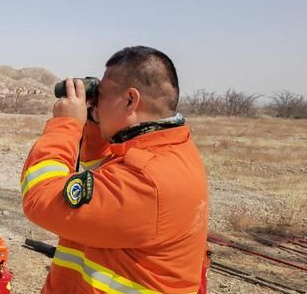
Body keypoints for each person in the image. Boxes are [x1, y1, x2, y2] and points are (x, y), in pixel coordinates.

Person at [21, 46, 208, 294]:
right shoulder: (164, 150)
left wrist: (65, 125)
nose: (96, 102)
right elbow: (100, 182)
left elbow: (41, 197)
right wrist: (93, 126)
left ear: (131, 100)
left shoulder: (149, 179)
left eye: (102, 95)